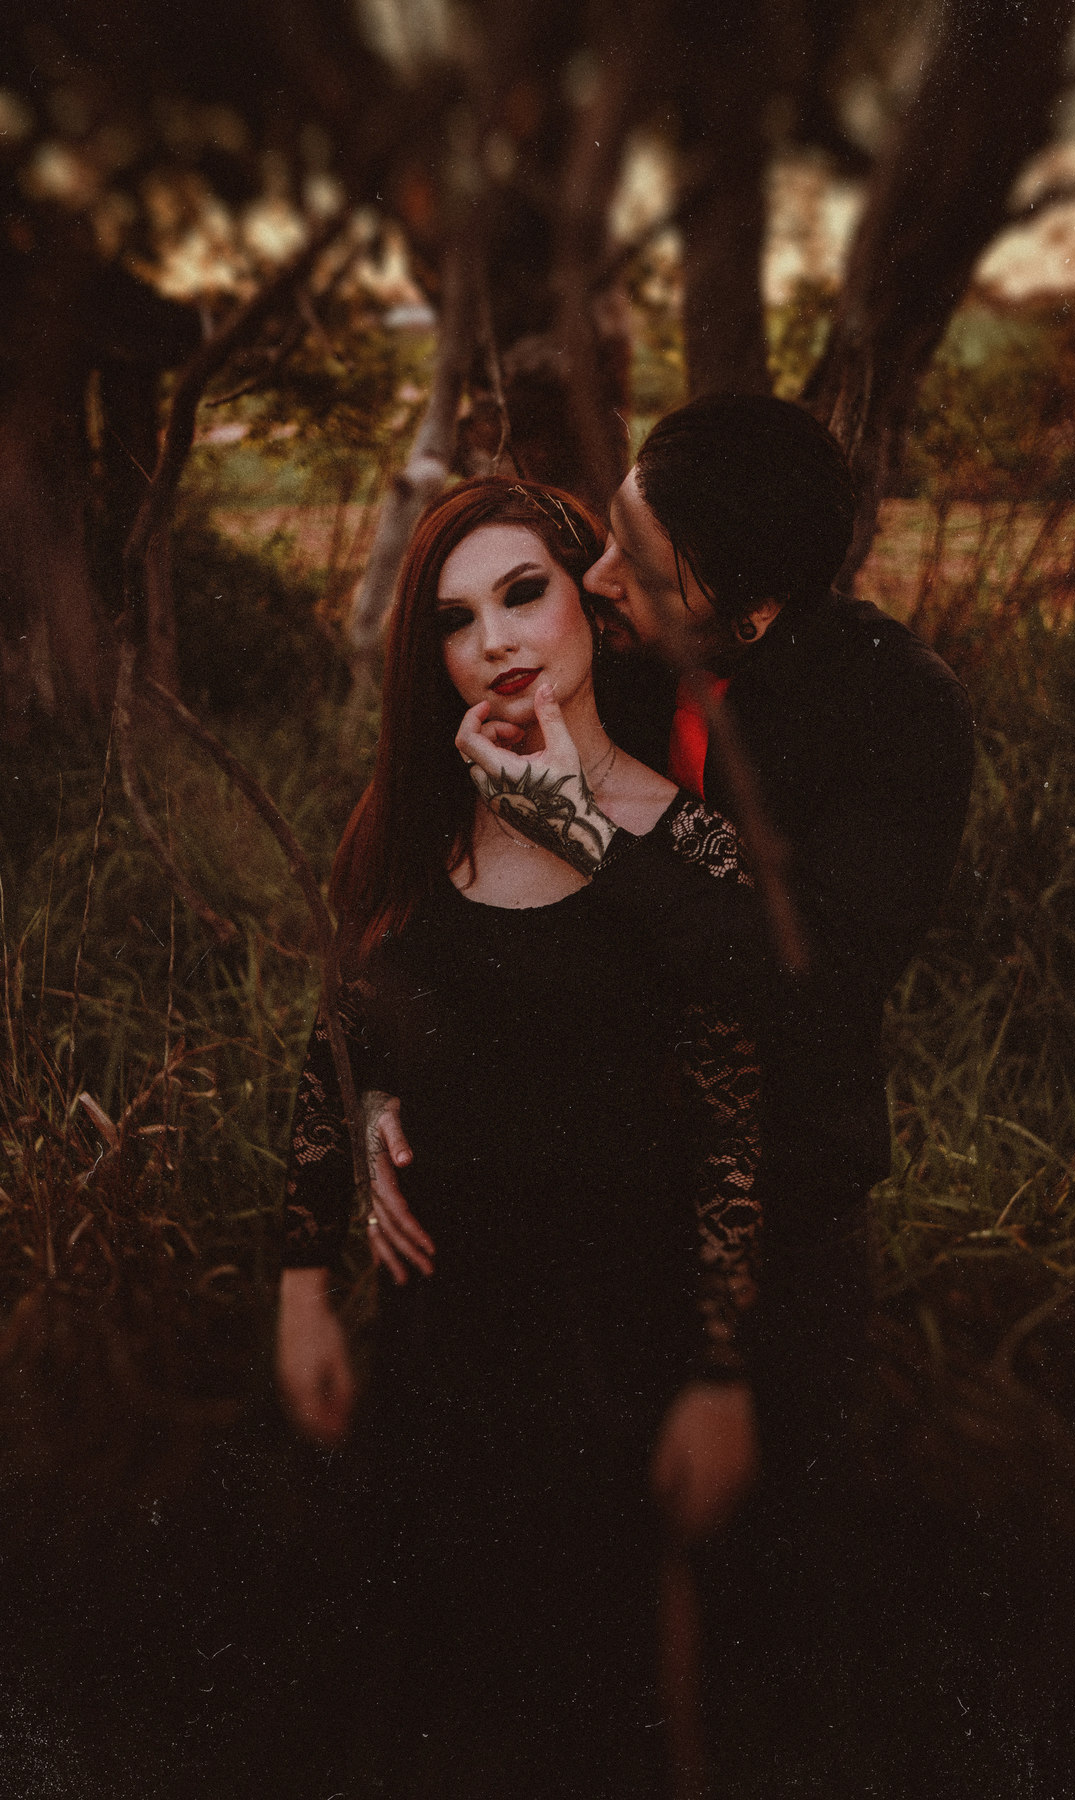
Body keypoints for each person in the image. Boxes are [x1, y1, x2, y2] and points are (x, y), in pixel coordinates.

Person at [275, 476, 766, 1797]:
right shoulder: (415, 825)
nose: (493, 639)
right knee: (426, 1707)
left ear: (593, 606)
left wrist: (721, 1374)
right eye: (455, 618)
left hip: (614, 1342)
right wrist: (304, 1281)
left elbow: (734, 1123)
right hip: (435, 1337)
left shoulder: (685, 845)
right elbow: (338, 1050)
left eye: (523, 593)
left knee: (617, 1711)